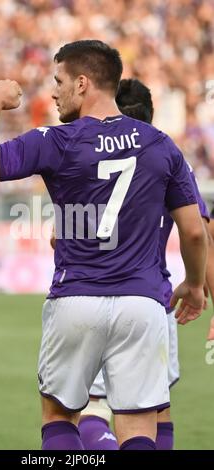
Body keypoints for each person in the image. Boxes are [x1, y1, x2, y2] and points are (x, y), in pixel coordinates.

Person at [0, 40, 207, 450]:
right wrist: (195, 285)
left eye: (58, 81)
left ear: (81, 82)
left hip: (76, 299)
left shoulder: (58, 141)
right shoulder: (162, 145)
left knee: (60, 417)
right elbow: (195, 231)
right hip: (143, 304)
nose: (53, 92)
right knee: (139, 426)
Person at [50, 78, 213, 451]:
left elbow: (58, 237)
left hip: (88, 294)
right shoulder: (168, 154)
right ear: (151, 117)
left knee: (90, 408)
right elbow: (198, 231)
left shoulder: (85, 152)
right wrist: (202, 290)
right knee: (155, 412)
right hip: (152, 299)